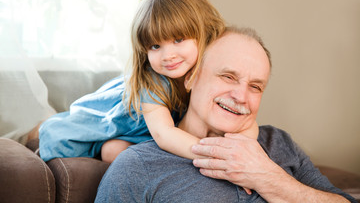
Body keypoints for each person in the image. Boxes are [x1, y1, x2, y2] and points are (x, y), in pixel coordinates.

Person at [95, 27, 356, 203]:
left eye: (255, 86)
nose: (241, 96)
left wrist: (267, 177)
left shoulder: (279, 143)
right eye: (228, 76)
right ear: (191, 78)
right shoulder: (137, 166)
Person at [38, 0, 225, 163]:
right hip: (112, 120)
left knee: (113, 150)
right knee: (58, 135)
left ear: (204, 32)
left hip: (140, 133)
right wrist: (217, 155)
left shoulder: (210, 71)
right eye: (155, 46)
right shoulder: (154, 81)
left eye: (178, 40)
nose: (168, 55)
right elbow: (164, 133)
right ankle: (39, 128)